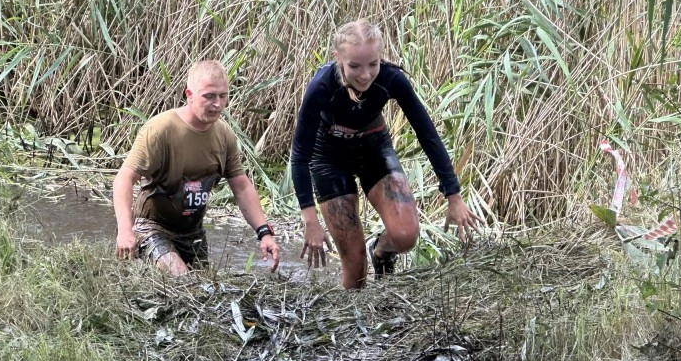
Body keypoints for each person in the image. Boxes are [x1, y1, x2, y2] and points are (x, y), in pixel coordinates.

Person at [290, 19, 483, 289]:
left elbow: (427, 134)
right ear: (338, 58)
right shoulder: (322, 86)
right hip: (329, 159)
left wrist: (453, 194)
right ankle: (354, 320)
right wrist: (309, 219)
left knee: (406, 236)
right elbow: (299, 156)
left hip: (373, 149)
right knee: (356, 268)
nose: (366, 75)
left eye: (373, 64)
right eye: (355, 66)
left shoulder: (392, 78)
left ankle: (380, 251)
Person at [113, 60, 280, 276]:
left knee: (204, 292)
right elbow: (124, 178)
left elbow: (241, 186)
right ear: (189, 95)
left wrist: (264, 233)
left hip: (193, 232)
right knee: (181, 279)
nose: (217, 104)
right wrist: (125, 230)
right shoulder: (160, 129)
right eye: (209, 96)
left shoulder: (224, 135)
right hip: (152, 227)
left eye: (223, 96)